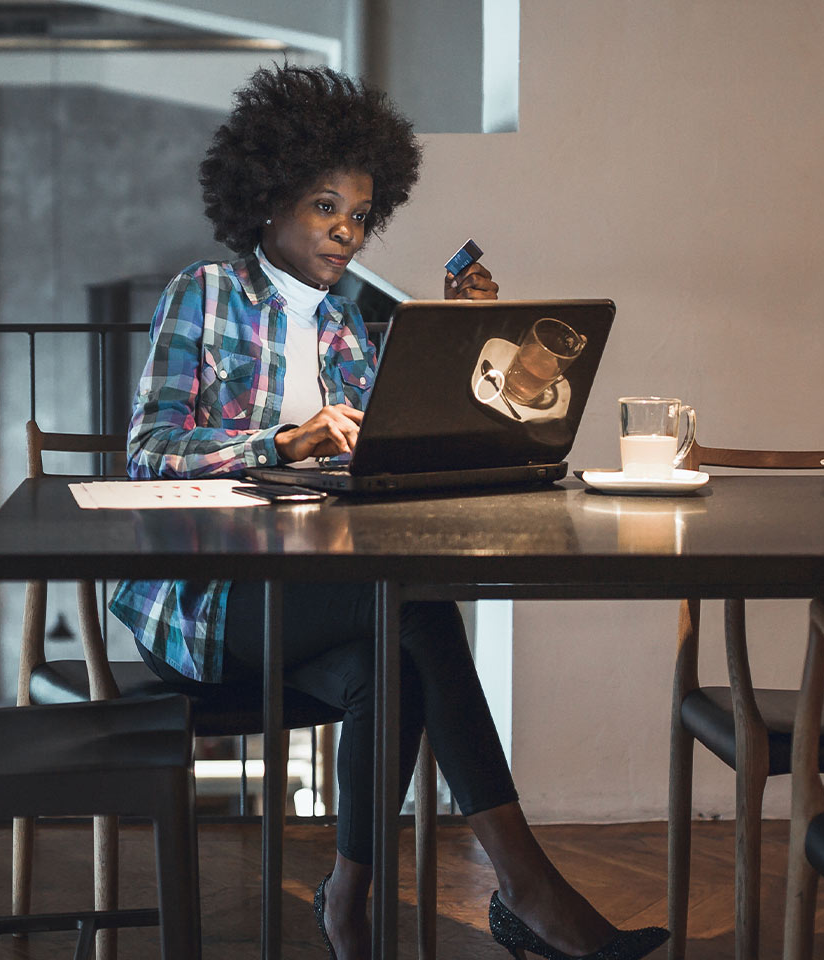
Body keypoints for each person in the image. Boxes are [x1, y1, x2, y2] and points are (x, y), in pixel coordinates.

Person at [108, 64, 667, 960]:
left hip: (320, 590)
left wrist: (456, 343)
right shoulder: (203, 296)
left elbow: (392, 457)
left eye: (361, 214)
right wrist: (285, 443)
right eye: (327, 206)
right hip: (206, 598)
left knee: (396, 650)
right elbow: (149, 455)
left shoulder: (345, 327)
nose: (346, 230)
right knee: (412, 613)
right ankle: (527, 892)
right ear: (270, 198)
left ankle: (351, 902)